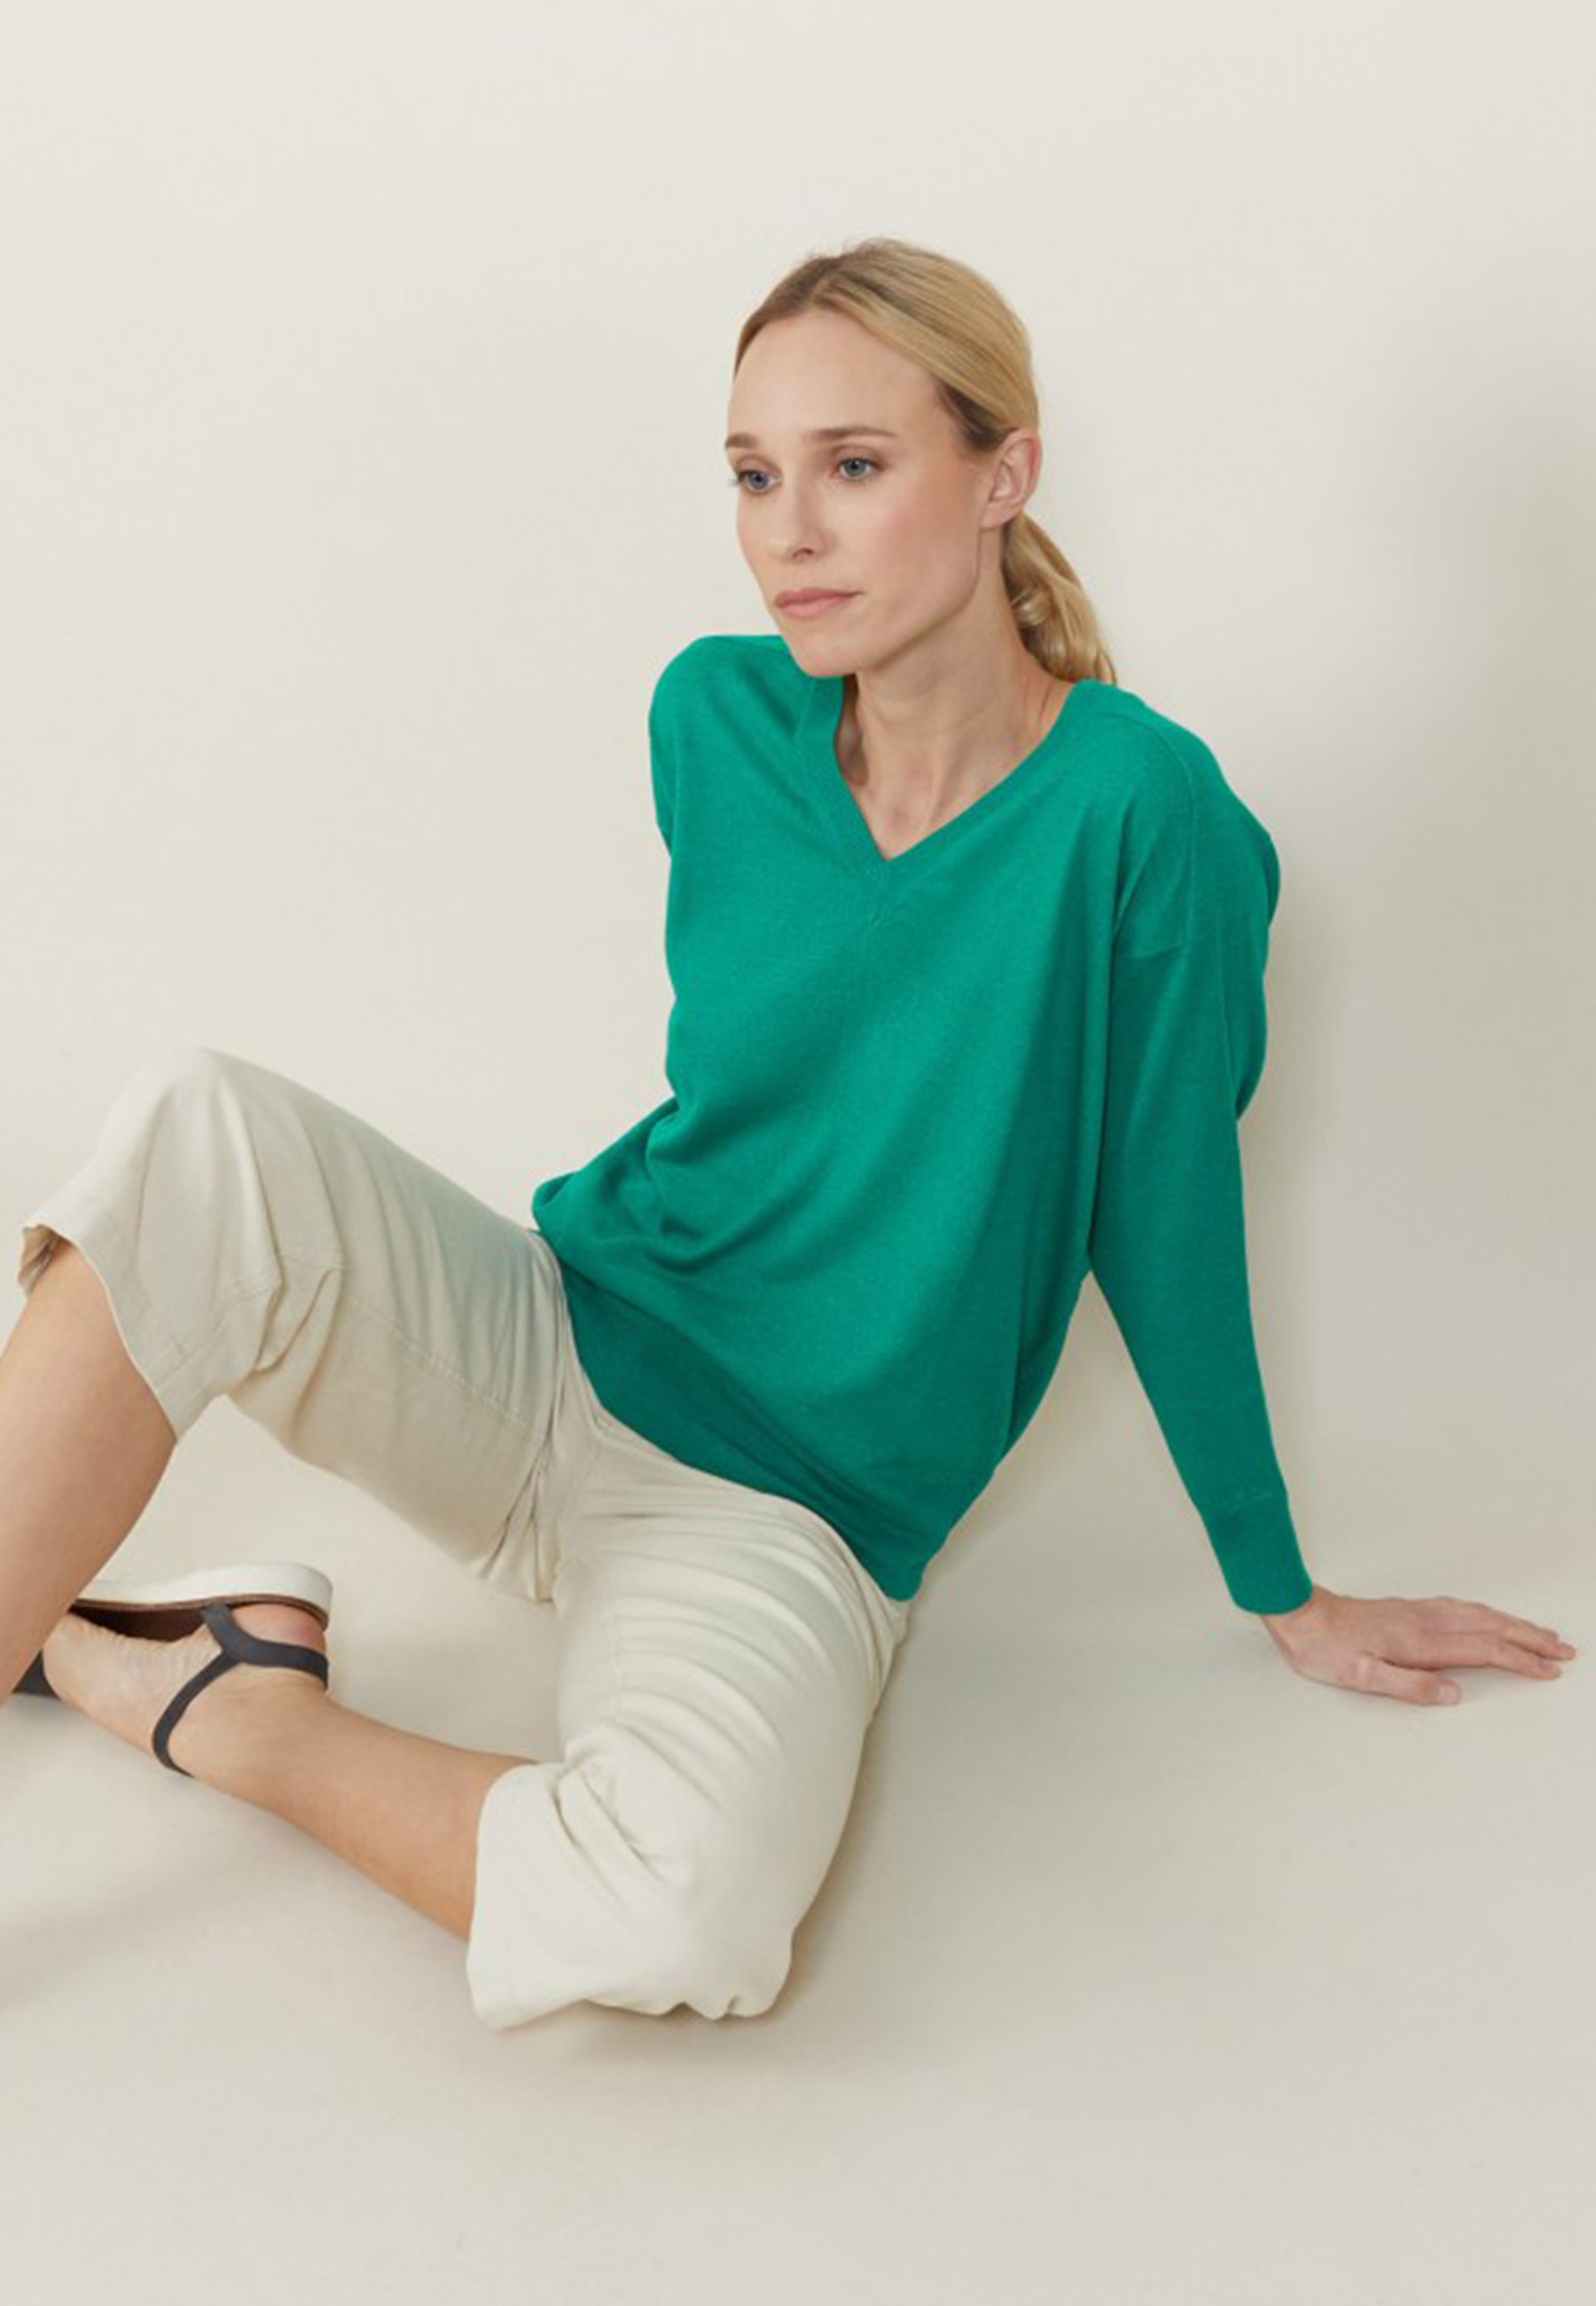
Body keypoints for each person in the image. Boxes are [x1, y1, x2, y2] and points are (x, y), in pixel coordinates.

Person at [0, 237, 1574, 2033]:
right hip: (545, 1353)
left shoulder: (1147, 817)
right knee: (196, 1128)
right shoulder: (712, 718)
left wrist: (1278, 1584)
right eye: (753, 475)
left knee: (675, 1914)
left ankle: (215, 1698)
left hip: (787, 1516)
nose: (787, 535)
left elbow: (1164, 1213)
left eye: (854, 465)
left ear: (1005, 474)